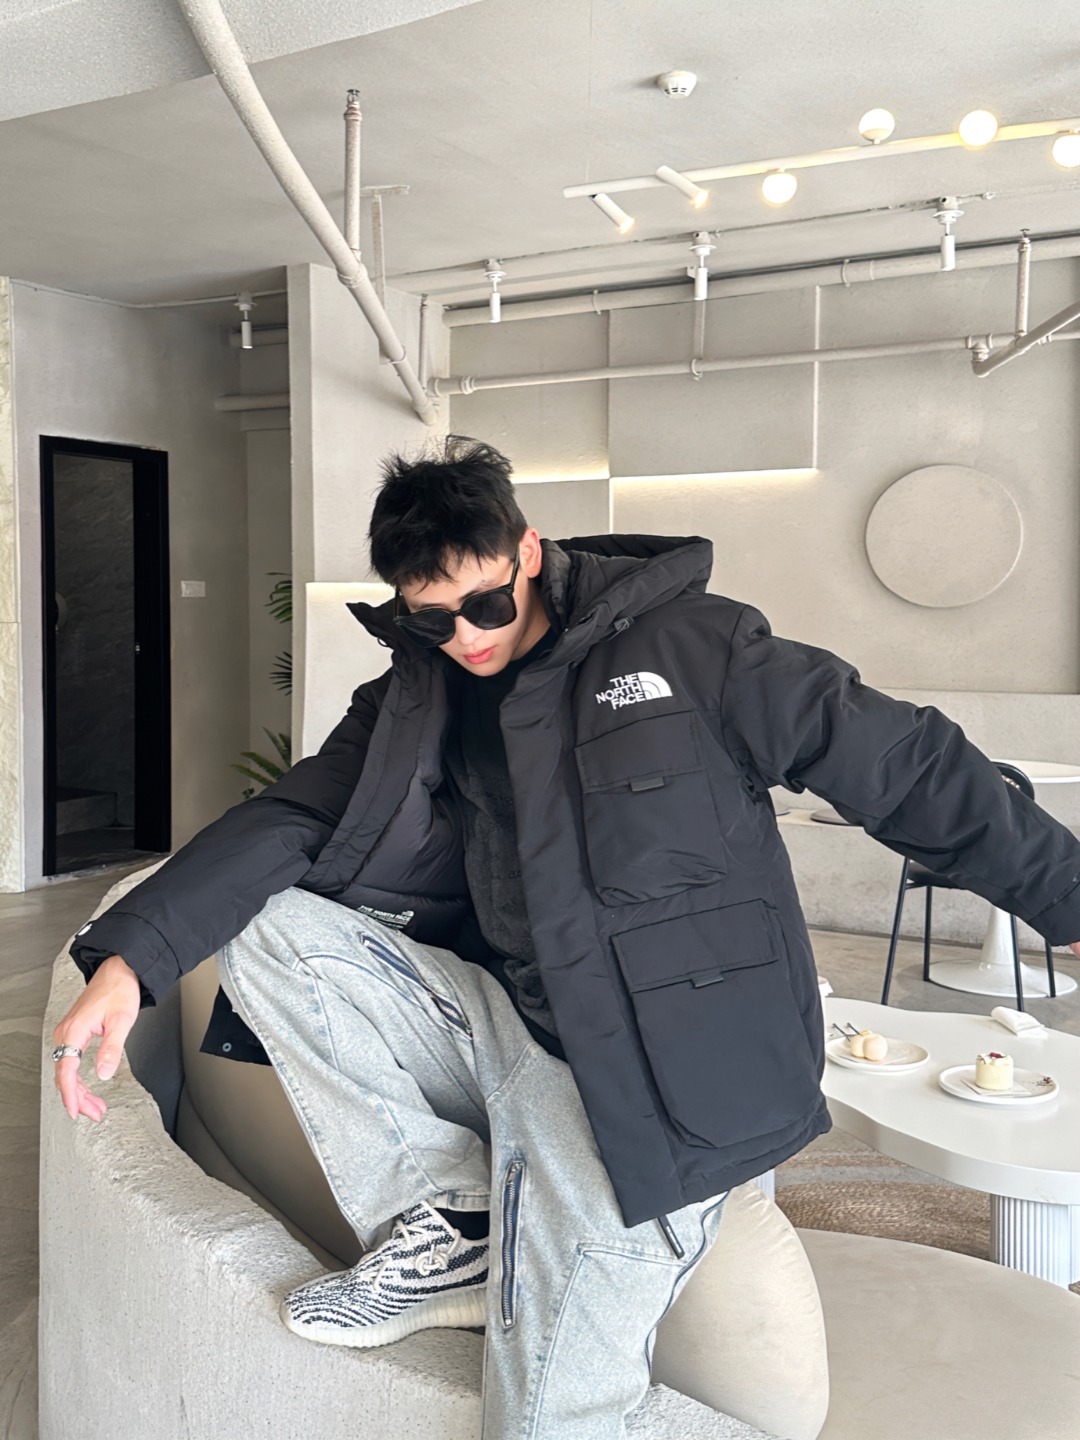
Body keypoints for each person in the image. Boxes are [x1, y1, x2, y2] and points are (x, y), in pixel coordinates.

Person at [52, 436, 1080, 1439]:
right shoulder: (418, 700)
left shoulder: (696, 648)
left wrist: (1071, 901)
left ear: (529, 552)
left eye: (486, 604)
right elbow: (289, 817)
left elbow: (906, 766)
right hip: (514, 1030)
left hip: (654, 1081)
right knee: (274, 931)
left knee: (545, 1412)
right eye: (431, 618)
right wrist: (132, 961)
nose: (466, 637)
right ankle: (452, 1225)